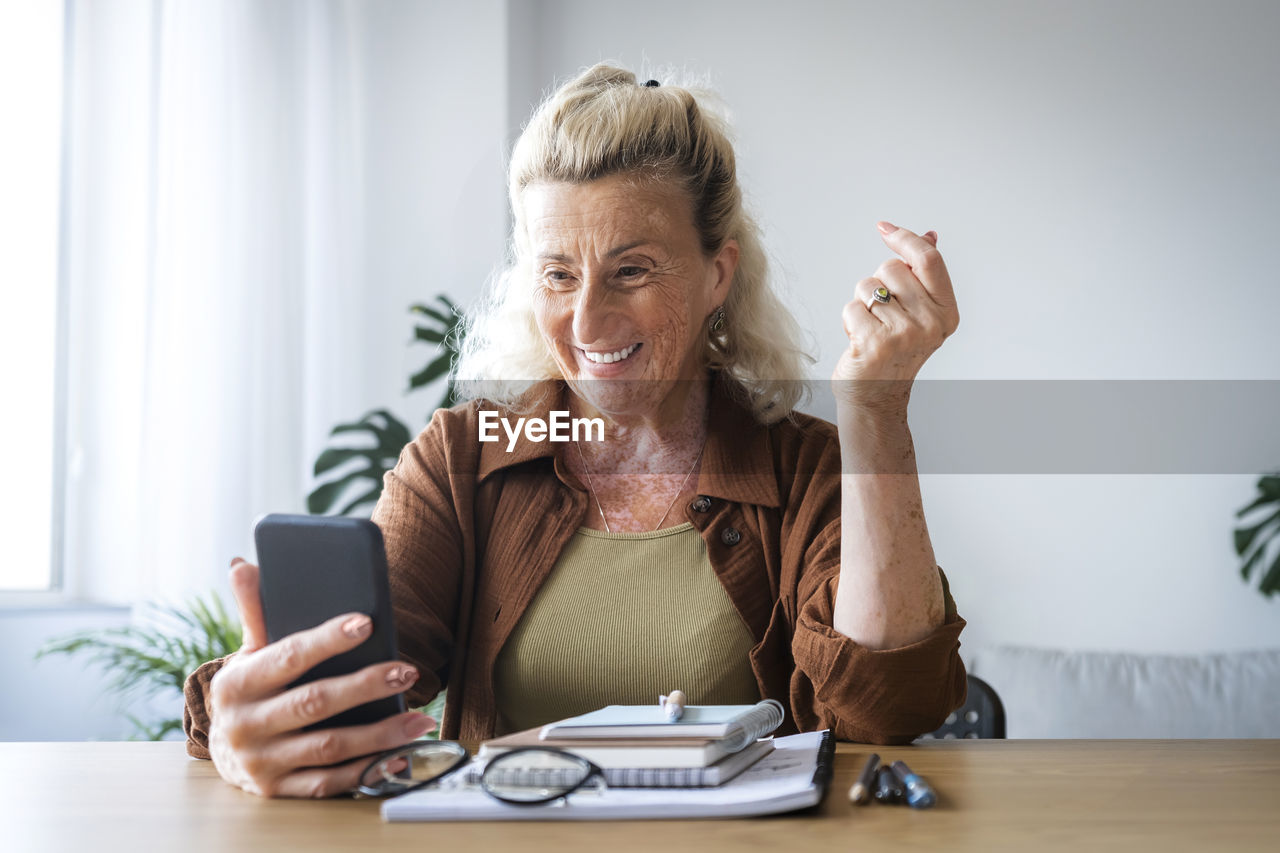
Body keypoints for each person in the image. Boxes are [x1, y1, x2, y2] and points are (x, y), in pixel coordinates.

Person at [183, 64, 966, 799]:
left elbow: (889, 707)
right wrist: (249, 712)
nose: (588, 321)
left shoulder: (805, 469)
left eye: (631, 270)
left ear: (716, 274)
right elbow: (349, 689)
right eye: (558, 274)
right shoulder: (461, 456)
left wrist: (876, 412)